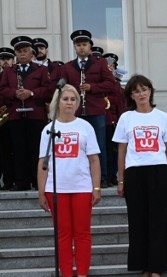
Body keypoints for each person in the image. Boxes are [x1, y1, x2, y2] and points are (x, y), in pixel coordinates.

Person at [114, 74, 167, 277]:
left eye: (145, 89)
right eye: (136, 91)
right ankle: (143, 269)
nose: (141, 94)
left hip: (158, 172)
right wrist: (120, 179)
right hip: (134, 173)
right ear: (131, 95)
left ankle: (157, 270)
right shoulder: (126, 118)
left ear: (150, 91)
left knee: (158, 223)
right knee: (138, 222)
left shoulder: (163, 117)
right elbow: (121, 151)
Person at [36, 84, 101, 277]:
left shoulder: (85, 127)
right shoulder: (49, 129)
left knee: (82, 233)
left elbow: (94, 160)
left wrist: (96, 187)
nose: (69, 103)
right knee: (63, 234)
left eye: (73, 99)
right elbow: (42, 162)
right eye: (65, 99)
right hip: (56, 189)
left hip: (82, 187)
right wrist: (41, 191)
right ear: (58, 102)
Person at [60, 29, 117, 188]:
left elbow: (110, 84)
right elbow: (61, 86)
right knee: (78, 146)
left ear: (90, 46)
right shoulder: (68, 67)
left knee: (98, 145)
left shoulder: (100, 64)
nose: (81, 48)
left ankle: (102, 178)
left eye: (84, 44)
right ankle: (81, 177)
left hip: (95, 111)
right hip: (76, 113)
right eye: (78, 45)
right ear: (74, 47)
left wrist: (92, 87)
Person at [0, 36, 52, 191]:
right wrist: (14, 93)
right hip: (16, 115)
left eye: (25, 51)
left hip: (36, 116)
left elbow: (49, 90)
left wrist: (32, 93)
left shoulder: (41, 70)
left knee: (36, 149)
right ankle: (22, 181)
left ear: (32, 53)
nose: (22, 54)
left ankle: (38, 181)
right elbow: (2, 90)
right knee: (18, 149)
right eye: (19, 51)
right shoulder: (9, 71)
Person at [103, 52, 126, 186]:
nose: (111, 69)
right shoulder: (106, 83)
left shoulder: (116, 84)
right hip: (106, 119)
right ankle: (107, 176)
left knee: (115, 150)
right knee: (107, 149)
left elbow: (121, 103)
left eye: (113, 67)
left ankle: (114, 175)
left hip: (116, 120)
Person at [0, 46, 16, 190]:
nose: (5, 62)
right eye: (2, 59)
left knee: (14, 150)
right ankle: (6, 181)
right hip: (2, 119)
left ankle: (14, 180)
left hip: (14, 116)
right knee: (3, 152)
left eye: (8, 59)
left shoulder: (17, 75)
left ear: (13, 60)